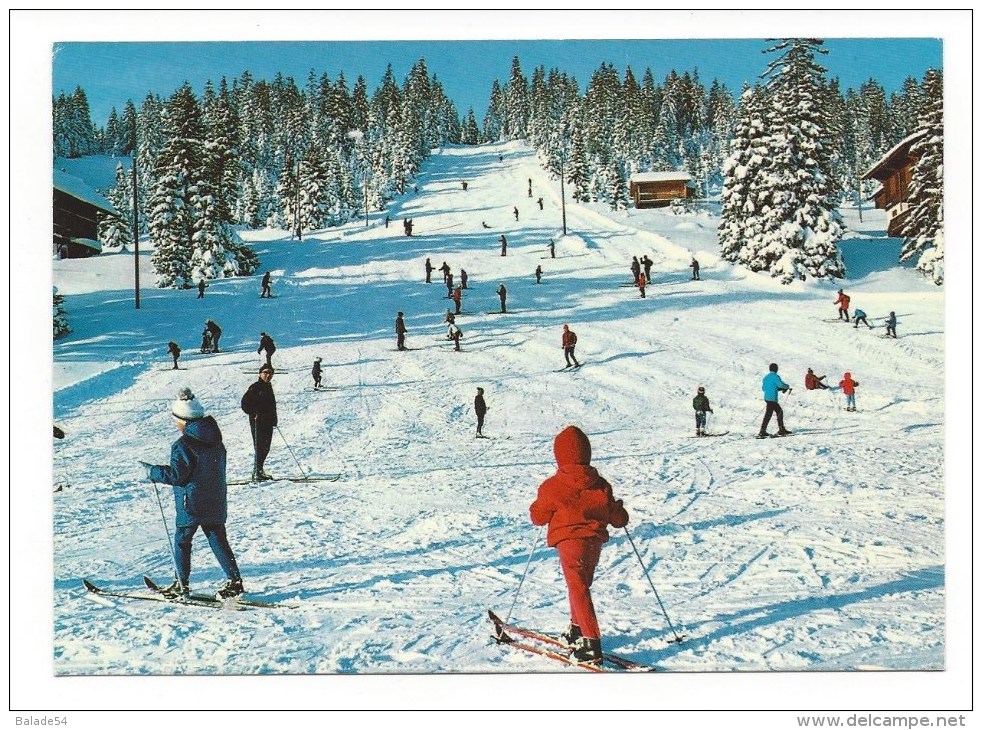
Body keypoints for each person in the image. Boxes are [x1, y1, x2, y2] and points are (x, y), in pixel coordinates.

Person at [529, 425, 629, 665]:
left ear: (559, 455)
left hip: (570, 542)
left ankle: (591, 643)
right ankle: (576, 629)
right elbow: (617, 518)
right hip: (594, 542)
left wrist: (538, 508)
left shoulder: (552, 485)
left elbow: (538, 517)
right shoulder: (600, 484)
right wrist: (620, 512)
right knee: (581, 585)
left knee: (578, 587)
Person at [141, 388, 243, 600]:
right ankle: (235, 581)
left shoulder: (183, 444)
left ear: (183, 420)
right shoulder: (216, 440)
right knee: (217, 537)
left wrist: (153, 471)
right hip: (215, 500)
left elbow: (178, 476)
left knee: (182, 541)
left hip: (191, 504)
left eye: (176, 420)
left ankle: (182, 584)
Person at [241, 364, 277, 481]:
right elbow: (245, 404)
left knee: (266, 447)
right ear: (260, 374)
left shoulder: (268, 386)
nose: (268, 375)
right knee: (260, 447)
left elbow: (272, 405)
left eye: (270, 373)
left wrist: (274, 419)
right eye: (265, 373)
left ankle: (260, 470)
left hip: (268, 421)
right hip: (258, 422)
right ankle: (257, 472)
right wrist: (254, 413)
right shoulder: (255, 387)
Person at [758, 363, 792, 438]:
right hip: (772, 399)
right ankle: (764, 431)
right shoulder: (775, 376)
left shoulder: (766, 377)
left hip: (767, 398)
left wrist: (775, 388)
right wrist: (786, 386)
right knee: (772, 414)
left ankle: (779, 429)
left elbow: (764, 388)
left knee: (777, 412)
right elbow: (780, 385)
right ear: (776, 369)